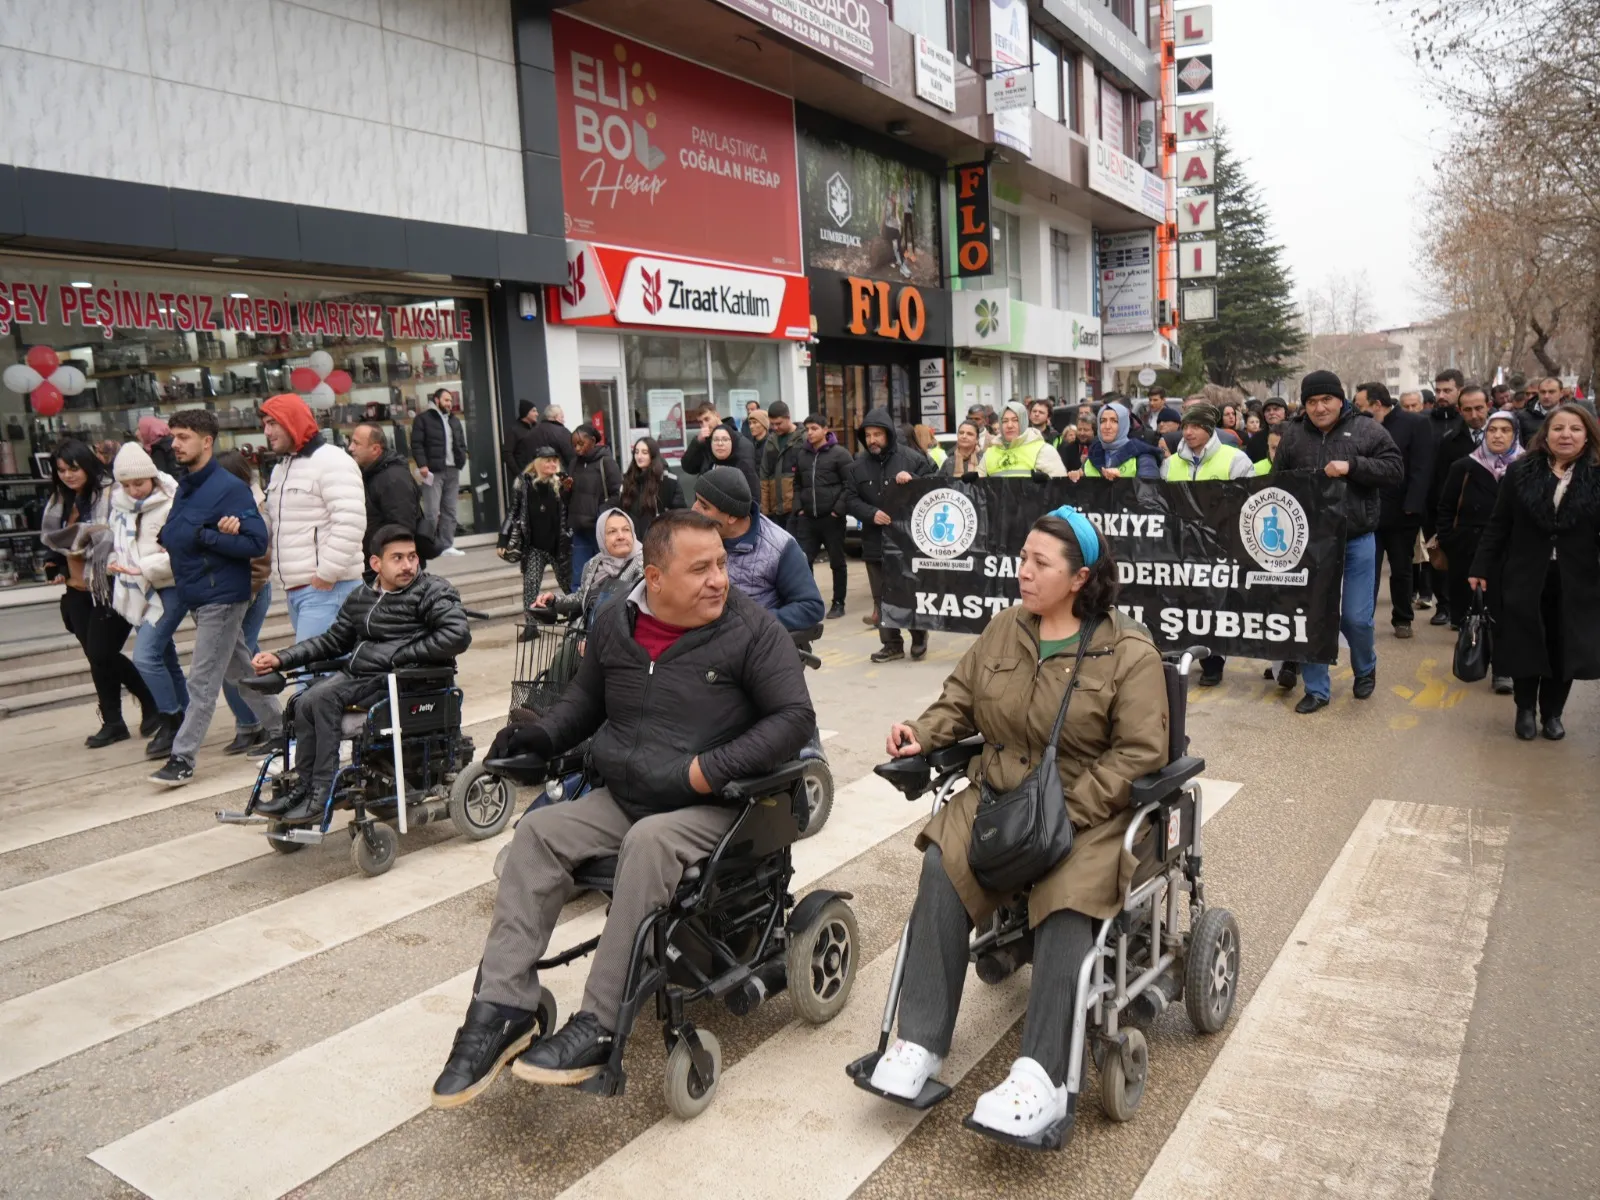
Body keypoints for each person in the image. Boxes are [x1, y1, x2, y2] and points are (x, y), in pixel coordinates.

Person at [430, 510, 812, 1106]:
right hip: (629, 793)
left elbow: (794, 719)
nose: (719, 579)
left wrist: (705, 770)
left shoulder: (751, 629)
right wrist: (542, 736)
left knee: (649, 843)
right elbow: (584, 702)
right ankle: (503, 1010)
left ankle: (600, 1023)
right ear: (654, 579)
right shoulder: (617, 622)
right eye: (701, 568)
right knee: (538, 834)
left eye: (722, 564)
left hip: (715, 803)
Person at [871, 511, 1168, 1136]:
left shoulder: (1128, 651)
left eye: (1041, 564)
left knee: (1067, 894)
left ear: (1080, 578)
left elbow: (1141, 754)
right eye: (1022, 556)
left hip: (1086, 809)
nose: (1023, 571)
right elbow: (959, 697)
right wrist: (919, 734)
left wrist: (1073, 812)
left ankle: (1042, 1075)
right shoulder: (1006, 628)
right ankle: (919, 1041)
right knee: (942, 860)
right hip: (1001, 795)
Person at [252, 526, 470, 821]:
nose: (407, 565)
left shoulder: (433, 590)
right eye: (397, 558)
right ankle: (301, 787)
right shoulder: (361, 597)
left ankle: (320, 791)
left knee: (323, 699)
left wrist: (399, 655)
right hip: (362, 676)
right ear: (376, 563)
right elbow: (332, 641)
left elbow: (457, 635)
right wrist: (281, 659)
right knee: (303, 701)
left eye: (412, 557)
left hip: (403, 681)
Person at [148, 409, 284, 786]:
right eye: (173, 436)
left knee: (202, 679)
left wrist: (208, 536)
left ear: (206, 441)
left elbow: (257, 541)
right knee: (239, 669)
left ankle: (183, 757)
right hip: (197, 594)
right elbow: (177, 533)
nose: (174, 444)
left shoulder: (229, 488)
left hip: (221, 597)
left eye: (183, 437)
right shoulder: (187, 485)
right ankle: (282, 728)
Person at [1273, 371, 1403, 714]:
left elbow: (1394, 470)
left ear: (1340, 399)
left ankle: (1365, 666)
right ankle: (1316, 689)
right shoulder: (1293, 435)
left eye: (1326, 400)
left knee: (1355, 618)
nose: (1319, 408)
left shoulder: (1367, 428)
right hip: (1310, 544)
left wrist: (1352, 466)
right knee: (1315, 616)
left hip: (1357, 538)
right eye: (1312, 402)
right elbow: (1276, 482)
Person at [1469, 405, 1600, 741]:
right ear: (1546, 433)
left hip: (1577, 578)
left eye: (1575, 429)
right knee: (1525, 643)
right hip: (1526, 574)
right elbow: (1499, 525)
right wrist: (1481, 567)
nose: (1566, 435)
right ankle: (1524, 709)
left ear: (1587, 435)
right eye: (1558, 428)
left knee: (1563, 646)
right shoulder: (1520, 471)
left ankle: (1553, 713)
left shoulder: (1596, 475)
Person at [42, 440, 159, 748]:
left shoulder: (110, 494)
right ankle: (114, 721)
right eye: (62, 470)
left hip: (109, 585)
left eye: (74, 468)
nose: (68, 475)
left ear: (88, 465)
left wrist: (87, 540)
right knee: (97, 658)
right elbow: (53, 542)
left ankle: (149, 703)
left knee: (101, 653)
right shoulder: (60, 500)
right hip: (77, 590)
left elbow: (114, 534)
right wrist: (53, 566)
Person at [261, 392, 366, 641]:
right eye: (264, 424)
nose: (266, 431)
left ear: (291, 421)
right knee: (319, 672)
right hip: (298, 589)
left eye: (272, 423)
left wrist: (326, 574)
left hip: (329, 589)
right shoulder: (281, 468)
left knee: (313, 674)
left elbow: (350, 522)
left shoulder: (333, 461)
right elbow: (277, 522)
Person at [1162, 405, 1251, 688]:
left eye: (1195, 427)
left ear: (1209, 428)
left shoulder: (1235, 460)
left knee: (1214, 606)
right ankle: (1179, 656)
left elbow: (1247, 500)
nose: (1187, 432)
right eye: (1185, 426)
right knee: (1181, 603)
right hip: (1181, 547)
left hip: (1218, 547)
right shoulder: (1172, 463)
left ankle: (1213, 662)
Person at [107, 443, 184, 759]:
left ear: (152, 476)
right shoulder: (119, 506)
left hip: (171, 586)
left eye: (138, 482)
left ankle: (170, 718)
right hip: (138, 588)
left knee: (146, 656)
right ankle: (186, 717)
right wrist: (117, 561)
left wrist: (144, 566)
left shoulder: (172, 501)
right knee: (165, 658)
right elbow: (120, 545)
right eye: (125, 485)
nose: (133, 490)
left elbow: (181, 553)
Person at [1437, 411, 1519, 695]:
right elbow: (1446, 507)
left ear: (1515, 435)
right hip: (1470, 549)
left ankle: (1503, 670)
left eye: (1505, 430)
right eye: (1492, 430)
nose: (1497, 435)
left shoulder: (1525, 467)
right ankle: (1475, 658)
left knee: (1505, 611)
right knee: (1474, 611)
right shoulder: (1465, 467)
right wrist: (1451, 541)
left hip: (1512, 551)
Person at [845, 408, 935, 662]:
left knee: (909, 589)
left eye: (878, 434)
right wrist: (870, 513)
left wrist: (914, 479)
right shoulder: (857, 466)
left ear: (888, 435)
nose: (873, 439)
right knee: (882, 594)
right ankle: (891, 643)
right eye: (868, 435)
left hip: (908, 539)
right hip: (875, 541)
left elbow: (936, 481)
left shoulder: (911, 458)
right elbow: (849, 499)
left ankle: (919, 637)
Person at [692, 465, 824, 632]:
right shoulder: (700, 535)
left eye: (704, 506)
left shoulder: (779, 547)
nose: (693, 509)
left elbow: (811, 607)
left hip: (753, 644)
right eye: (696, 500)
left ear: (732, 516)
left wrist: (753, 623)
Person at [1354, 382, 1436, 640]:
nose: (1357, 410)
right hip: (1370, 510)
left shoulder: (1415, 424)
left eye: (1360, 405)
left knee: (1401, 569)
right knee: (1368, 568)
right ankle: (1363, 618)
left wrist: (1413, 505)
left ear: (1377, 405)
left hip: (1403, 512)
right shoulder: (1361, 427)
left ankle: (1402, 618)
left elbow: (1422, 468)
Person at [214, 450, 277, 754]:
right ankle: (250, 725)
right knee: (244, 659)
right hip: (229, 595)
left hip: (251, 593)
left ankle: (269, 726)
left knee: (237, 661)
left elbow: (259, 564)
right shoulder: (215, 506)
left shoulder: (253, 512)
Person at [1425, 384, 1490, 626]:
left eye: (1479, 408)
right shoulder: (1449, 442)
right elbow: (1441, 488)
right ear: (1460, 411)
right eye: (1468, 410)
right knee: (1460, 582)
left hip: (1495, 523)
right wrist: (1442, 530)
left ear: (1488, 407)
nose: (1475, 415)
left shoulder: (1506, 437)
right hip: (1462, 526)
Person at [533, 506, 643, 630]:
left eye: (626, 530)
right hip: (592, 638)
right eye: (612, 531)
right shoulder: (594, 564)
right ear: (601, 537)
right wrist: (554, 600)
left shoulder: (644, 565)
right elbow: (581, 598)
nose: (621, 536)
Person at [790, 413, 855, 619]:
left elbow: (850, 484)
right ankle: (808, 601)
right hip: (808, 518)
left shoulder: (840, 454)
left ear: (826, 429)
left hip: (832, 518)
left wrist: (838, 509)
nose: (809, 433)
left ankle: (838, 602)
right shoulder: (802, 455)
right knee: (803, 560)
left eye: (814, 428)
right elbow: (798, 484)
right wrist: (800, 508)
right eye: (807, 429)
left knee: (836, 561)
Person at [502, 445, 571, 615]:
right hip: (534, 546)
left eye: (555, 461)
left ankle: (577, 616)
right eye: (548, 461)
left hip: (559, 545)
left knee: (568, 584)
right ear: (538, 463)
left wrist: (567, 489)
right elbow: (514, 510)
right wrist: (503, 538)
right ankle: (531, 627)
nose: (553, 464)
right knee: (530, 586)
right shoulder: (524, 483)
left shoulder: (563, 482)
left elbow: (571, 508)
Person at [348, 422, 429, 566]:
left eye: (356, 443)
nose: (350, 448)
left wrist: (392, 566)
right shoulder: (371, 474)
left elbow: (402, 528)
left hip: (393, 571)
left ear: (375, 449)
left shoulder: (393, 479)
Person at [411, 388, 468, 556]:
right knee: (431, 511)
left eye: (450, 400)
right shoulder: (423, 419)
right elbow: (417, 444)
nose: (449, 403)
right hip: (433, 471)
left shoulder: (454, 420)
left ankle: (446, 545)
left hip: (452, 469)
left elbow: (461, 443)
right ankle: (429, 547)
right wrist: (422, 464)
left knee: (450, 509)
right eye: (446, 400)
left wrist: (461, 459)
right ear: (436, 400)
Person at [565, 425, 622, 588]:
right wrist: (565, 488)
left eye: (581, 444)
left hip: (600, 529)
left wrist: (599, 514)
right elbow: (566, 498)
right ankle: (578, 612)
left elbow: (617, 494)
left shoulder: (606, 462)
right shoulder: (573, 464)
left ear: (592, 441)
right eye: (574, 445)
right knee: (579, 577)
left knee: (604, 575)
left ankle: (603, 611)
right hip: (579, 530)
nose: (577, 448)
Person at [618, 437, 685, 540]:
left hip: (659, 541)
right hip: (632, 542)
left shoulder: (667, 481)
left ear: (653, 455)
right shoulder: (627, 480)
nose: (639, 456)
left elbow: (679, 514)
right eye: (636, 452)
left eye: (644, 452)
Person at [982, 402, 1068, 478]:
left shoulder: (1043, 450)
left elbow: (1059, 486)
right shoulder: (990, 453)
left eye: (1015, 420)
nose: (1009, 425)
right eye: (1005, 421)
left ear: (1024, 422)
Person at [1080, 401, 1161, 480]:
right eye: (1103, 421)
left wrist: (1121, 482)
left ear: (1124, 425)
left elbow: (1149, 491)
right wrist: (1075, 481)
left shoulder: (1144, 457)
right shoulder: (1093, 454)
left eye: (1114, 421)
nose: (1107, 426)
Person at [758, 401, 804, 527]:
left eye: (778, 423)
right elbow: (764, 476)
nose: (775, 427)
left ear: (788, 418)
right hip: (776, 511)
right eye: (772, 424)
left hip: (797, 509)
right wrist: (765, 511)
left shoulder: (803, 439)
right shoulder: (771, 441)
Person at [504, 400, 544, 476]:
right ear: (526, 413)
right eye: (534, 411)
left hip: (539, 474)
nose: (537, 414)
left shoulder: (537, 429)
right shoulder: (514, 431)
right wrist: (519, 473)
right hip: (524, 475)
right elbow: (507, 453)